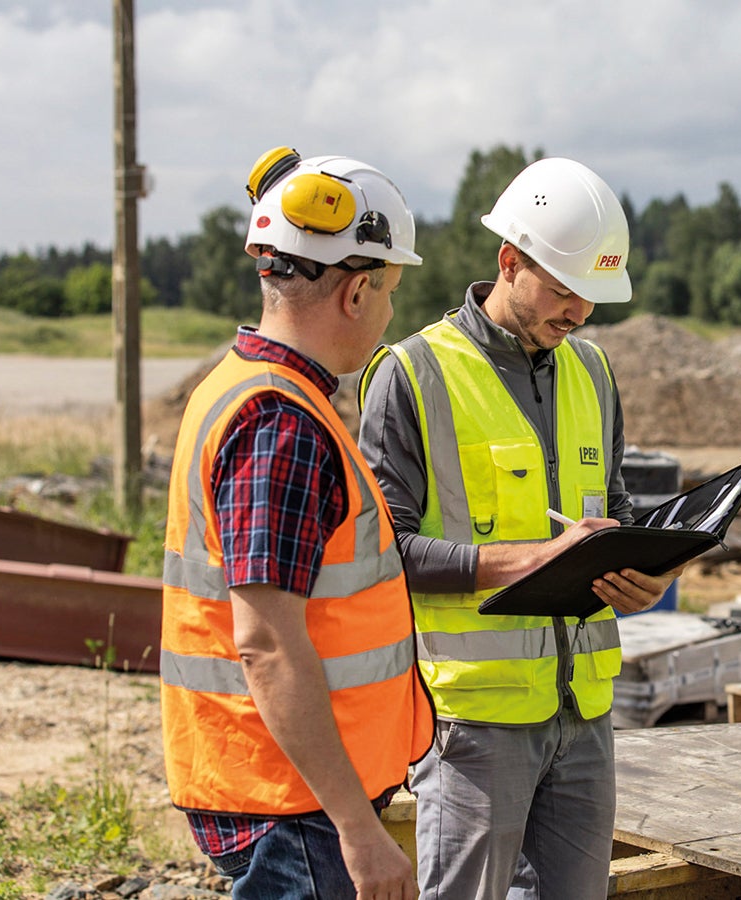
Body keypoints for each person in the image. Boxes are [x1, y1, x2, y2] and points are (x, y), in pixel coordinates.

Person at [357, 156, 677, 899]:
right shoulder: (413, 375)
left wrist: (645, 569)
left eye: (593, 297)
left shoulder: (592, 372)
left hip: (584, 714)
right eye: (565, 290)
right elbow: (382, 555)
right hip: (473, 722)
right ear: (510, 261)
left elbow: (617, 512)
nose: (579, 313)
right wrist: (534, 559)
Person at [159, 147, 434, 899]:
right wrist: (358, 831)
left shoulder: (248, 389)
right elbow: (268, 644)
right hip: (295, 806)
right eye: (389, 290)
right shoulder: (279, 421)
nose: (388, 311)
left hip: (282, 785)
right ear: (355, 291)